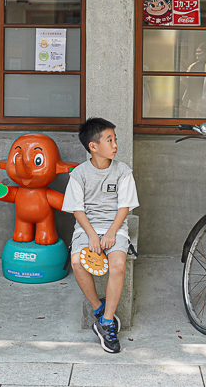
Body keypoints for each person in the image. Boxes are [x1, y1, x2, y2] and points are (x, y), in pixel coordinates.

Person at [62, 118, 139, 354]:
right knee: (76, 262)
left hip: (115, 226)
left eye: (115, 139)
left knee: (117, 263)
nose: (115, 144)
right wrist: (93, 236)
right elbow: (78, 210)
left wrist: (112, 233)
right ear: (93, 147)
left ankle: (106, 323)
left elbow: (124, 207)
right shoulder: (79, 174)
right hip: (87, 228)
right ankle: (98, 309)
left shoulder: (123, 171)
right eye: (109, 140)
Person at [180, 41, 206, 118]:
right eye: (196, 52)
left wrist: (205, 98)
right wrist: (182, 69)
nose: (197, 54)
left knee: (202, 120)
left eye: (200, 52)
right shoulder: (193, 65)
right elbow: (186, 81)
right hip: (192, 99)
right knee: (190, 120)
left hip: (203, 101)